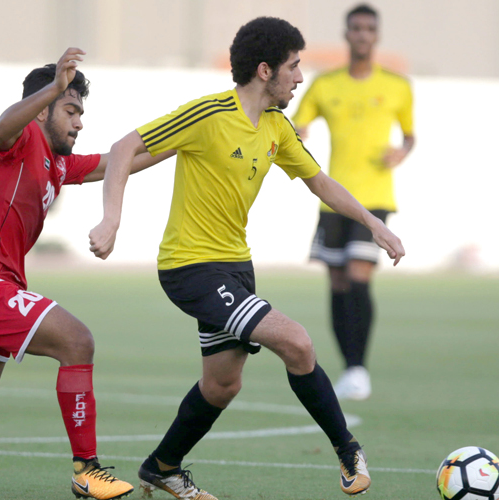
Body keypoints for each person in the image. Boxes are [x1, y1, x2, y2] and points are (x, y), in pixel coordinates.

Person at [89, 16, 405, 499]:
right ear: (264, 71)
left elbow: (320, 182)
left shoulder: (276, 126)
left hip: (236, 266)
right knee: (297, 343)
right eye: (293, 66)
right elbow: (124, 148)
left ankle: (162, 467)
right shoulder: (208, 114)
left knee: (222, 385)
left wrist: (373, 223)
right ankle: (348, 450)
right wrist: (111, 220)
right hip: (190, 267)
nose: (300, 77)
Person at [0, 47, 174, 499]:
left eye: (80, 113)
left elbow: (121, 161)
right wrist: (54, 87)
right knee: (77, 342)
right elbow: (2, 126)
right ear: (42, 109)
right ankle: (86, 470)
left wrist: (183, 140)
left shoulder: (59, 163)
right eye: (70, 111)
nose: (79, 123)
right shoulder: (18, 140)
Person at [292, 4, 415, 401]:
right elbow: (298, 124)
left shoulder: (397, 86)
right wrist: (298, 136)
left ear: (376, 35)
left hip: (375, 198)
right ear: (347, 34)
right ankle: (349, 367)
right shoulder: (325, 84)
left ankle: (359, 368)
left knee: (358, 274)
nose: (362, 34)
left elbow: (409, 135)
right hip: (333, 198)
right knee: (338, 281)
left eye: (368, 28)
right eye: (356, 28)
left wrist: (402, 151)